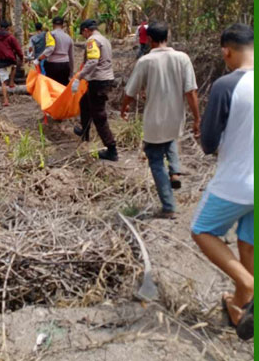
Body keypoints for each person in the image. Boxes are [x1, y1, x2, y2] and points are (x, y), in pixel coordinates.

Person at [190, 24, 253, 340]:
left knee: (201, 230)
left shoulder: (227, 85)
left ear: (226, 51)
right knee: (248, 242)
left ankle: (247, 286)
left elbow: (209, 142)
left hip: (237, 182)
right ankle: (240, 308)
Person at [121, 22, 199, 219]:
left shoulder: (146, 61)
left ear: (148, 39)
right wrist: (197, 118)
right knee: (171, 139)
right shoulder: (182, 58)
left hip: (154, 121)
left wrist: (125, 107)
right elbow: (191, 91)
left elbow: (130, 91)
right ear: (168, 35)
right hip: (175, 117)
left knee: (155, 159)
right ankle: (175, 172)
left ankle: (169, 205)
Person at [71, 19, 117, 161]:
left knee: (99, 116)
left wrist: (79, 76)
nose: (84, 36)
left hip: (99, 81)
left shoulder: (92, 41)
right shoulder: (104, 39)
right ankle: (84, 133)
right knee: (84, 103)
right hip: (103, 79)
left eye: (83, 33)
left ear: (86, 30)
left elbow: (92, 61)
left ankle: (111, 149)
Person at [0, 21, 24, 107]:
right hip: (10, 59)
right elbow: (18, 49)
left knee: (3, 82)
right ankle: (11, 82)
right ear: (8, 28)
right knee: (14, 66)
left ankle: (6, 100)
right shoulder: (11, 37)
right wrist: (21, 57)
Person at [36, 16, 74, 85]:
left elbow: (50, 48)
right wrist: (71, 72)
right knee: (63, 87)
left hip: (53, 65)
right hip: (66, 65)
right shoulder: (68, 37)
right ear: (62, 25)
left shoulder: (50, 34)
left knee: (52, 87)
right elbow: (71, 56)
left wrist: (39, 58)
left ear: (53, 25)